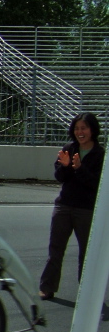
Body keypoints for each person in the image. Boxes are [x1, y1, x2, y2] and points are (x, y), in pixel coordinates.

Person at [39, 113, 104, 300]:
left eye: (84, 128)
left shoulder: (100, 154)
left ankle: (87, 292)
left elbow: (97, 184)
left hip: (86, 209)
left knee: (86, 252)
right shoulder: (69, 148)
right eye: (77, 128)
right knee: (55, 249)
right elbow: (60, 177)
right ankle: (47, 287)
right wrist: (66, 166)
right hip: (64, 206)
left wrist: (79, 169)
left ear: (92, 130)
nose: (80, 132)